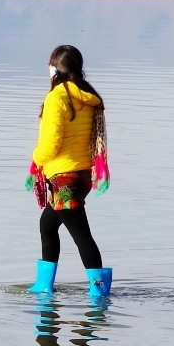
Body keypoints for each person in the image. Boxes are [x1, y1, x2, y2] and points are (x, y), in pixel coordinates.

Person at [27, 44, 112, 300]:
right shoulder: (86, 95)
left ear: (56, 68)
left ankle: (99, 293)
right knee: (47, 225)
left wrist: (36, 159)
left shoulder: (57, 98)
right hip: (82, 174)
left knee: (81, 235)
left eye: (50, 64)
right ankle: (44, 286)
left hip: (64, 178)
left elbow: (51, 143)